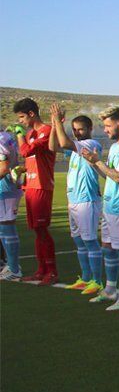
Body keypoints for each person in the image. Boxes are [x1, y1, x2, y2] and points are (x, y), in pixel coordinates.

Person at [81, 107, 119, 311]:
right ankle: (110, 290)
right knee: (108, 249)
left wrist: (97, 161)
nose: (105, 130)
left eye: (108, 125)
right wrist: (94, 164)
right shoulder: (115, 147)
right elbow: (109, 176)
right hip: (109, 206)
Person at [48, 104, 104, 295]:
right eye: (74, 130)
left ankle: (97, 281)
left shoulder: (91, 145)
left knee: (90, 241)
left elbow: (63, 144)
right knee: (79, 241)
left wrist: (57, 121)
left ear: (89, 130)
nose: (77, 133)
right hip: (74, 200)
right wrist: (55, 125)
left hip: (87, 200)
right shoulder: (74, 148)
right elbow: (53, 146)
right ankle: (86, 278)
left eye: (80, 129)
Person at [12, 97, 57, 284]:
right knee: (37, 231)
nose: (20, 122)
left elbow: (25, 151)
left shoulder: (45, 131)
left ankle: (52, 272)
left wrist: (19, 134)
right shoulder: (31, 134)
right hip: (30, 185)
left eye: (22, 117)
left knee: (42, 229)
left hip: (42, 186)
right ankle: (41, 270)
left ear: (32, 114)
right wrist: (22, 170)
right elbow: (29, 158)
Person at [0, 129, 24, 281]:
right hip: (8, 186)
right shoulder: (6, 136)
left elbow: (3, 167)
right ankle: (9, 265)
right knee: (3, 227)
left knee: (6, 226)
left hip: (5, 187)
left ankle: (14, 269)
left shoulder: (1, 140)